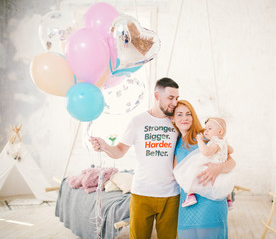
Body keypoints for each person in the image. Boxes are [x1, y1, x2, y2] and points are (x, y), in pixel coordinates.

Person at [89, 77, 180, 239]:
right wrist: (105, 146)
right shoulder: (138, 121)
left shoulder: (177, 122)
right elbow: (119, 151)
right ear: (157, 96)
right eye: (170, 98)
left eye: (177, 98)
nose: (174, 102)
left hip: (170, 194)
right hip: (142, 193)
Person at [172, 100, 236, 239]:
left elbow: (232, 162)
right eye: (179, 114)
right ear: (173, 118)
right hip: (188, 204)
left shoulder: (206, 136)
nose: (184, 118)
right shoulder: (175, 143)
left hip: (210, 203)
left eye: (188, 114)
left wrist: (219, 167)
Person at [173, 117, 235, 209]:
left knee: (191, 171)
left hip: (209, 166)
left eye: (209, 129)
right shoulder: (223, 143)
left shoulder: (216, 143)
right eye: (205, 129)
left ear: (220, 132)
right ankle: (229, 201)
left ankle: (190, 195)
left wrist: (200, 141)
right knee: (226, 184)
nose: (206, 131)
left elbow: (206, 152)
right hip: (220, 171)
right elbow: (231, 150)